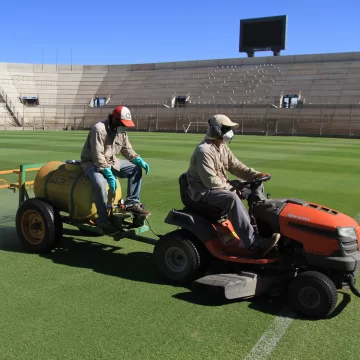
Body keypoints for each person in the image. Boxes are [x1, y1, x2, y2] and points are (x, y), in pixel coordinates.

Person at [186, 114, 280, 256]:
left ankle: (258, 229)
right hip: (203, 191)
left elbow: (236, 167)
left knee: (255, 186)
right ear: (217, 130)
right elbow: (211, 182)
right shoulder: (204, 151)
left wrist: (255, 175)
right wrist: (234, 189)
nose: (230, 132)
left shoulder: (222, 147)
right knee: (232, 198)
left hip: (219, 185)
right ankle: (253, 243)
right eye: (227, 128)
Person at [81, 105, 150, 235]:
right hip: (92, 163)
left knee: (135, 169)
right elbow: (98, 156)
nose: (125, 127)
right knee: (100, 184)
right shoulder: (99, 129)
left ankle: (132, 203)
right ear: (114, 119)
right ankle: (103, 222)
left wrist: (138, 160)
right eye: (123, 123)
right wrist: (108, 174)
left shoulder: (121, 131)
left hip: (112, 161)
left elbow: (126, 149)